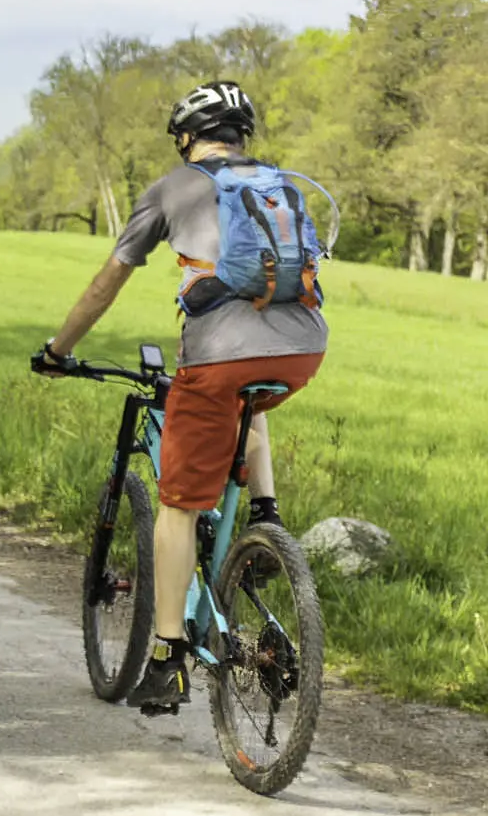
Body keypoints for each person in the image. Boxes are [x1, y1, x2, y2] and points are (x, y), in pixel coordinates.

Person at [36, 80, 327, 714]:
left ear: (187, 138)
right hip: (304, 348)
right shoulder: (281, 184)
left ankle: (166, 659)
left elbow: (107, 282)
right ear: (240, 136)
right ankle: (265, 518)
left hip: (220, 356)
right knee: (249, 400)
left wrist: (59, 349)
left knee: (177, 508)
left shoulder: (171, 188)